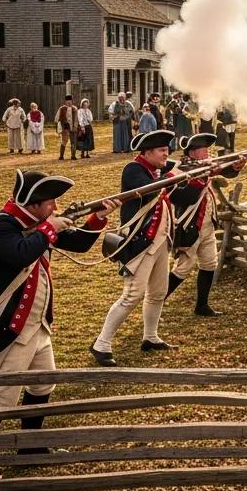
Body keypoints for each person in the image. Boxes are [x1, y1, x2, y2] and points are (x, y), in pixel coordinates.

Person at [0, 171, 119, 483]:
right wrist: (49, 228)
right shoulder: (1, 225)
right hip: (11, 329)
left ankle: (28, 449)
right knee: (0, 401)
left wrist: (97, 218)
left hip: (38, 325)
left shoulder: (38, 225)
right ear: (34, 203)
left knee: (42, 386)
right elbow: (21, 254)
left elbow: (79, 244)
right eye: (51, 201)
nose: (57, 205)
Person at [91, 129, 178, 365]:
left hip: (160, 240)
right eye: (161, 150)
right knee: (132, 295)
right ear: (147, 152)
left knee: (158, 292)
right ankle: (101, 343)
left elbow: (188, 165)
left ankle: (150, 336)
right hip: (139, 241)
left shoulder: (155, 168)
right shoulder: (133, 170)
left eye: (167, 150)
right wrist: (172, 174)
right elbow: (149, 192)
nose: (166, 154)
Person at [165, 133, 245, 316]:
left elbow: (227, 170)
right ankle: (157, 301)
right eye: (204, 149)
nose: (208, 152)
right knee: (183, 268)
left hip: (208, 225)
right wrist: (204, 175)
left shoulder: (204, 166)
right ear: (193, 152)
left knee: (209, 264)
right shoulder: (179, 170)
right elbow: (185, 197)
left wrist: (236, 166)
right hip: (190, 226)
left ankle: (202, 306)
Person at [53, 95, 79, 161]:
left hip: (73, 127)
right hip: (65, 127)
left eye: (70, 101)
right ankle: (61, 156)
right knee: (64, 140)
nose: (69, 102)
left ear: (72, 101)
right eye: (67, 101)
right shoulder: (62, 108)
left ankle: (73, 156)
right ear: (65, 101)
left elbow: (76, 118)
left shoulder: (75, 108)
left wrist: (75, 126)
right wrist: (59, 126)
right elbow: (56, 118)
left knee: (73, 142)